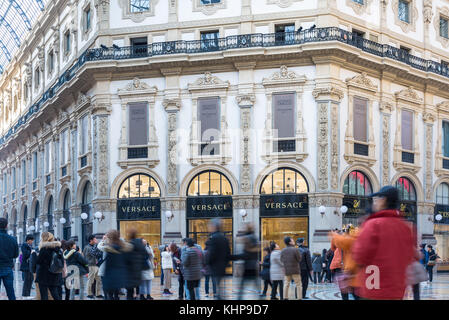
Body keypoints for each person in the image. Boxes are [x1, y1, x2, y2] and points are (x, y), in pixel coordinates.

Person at [352, 186, 415, 300]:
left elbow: (359, 256)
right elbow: (410, 256)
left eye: (377, 198)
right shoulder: (405, 227)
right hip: (397, 290)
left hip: (374, 289)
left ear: (384, 200)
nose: (374, 202)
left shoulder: (373, 224)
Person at [98, 230, 133, 300]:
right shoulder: (125, 247)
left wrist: (103, 240)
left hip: (110, 276)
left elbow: (99, 247)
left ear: (109, 237)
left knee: (110, 296)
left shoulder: (108, 248)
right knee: (116, 294)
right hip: (121, 275)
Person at [330, 227, 360, 300]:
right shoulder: (352, 240)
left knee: (345, 288)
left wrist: (334, 234)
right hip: (344, 265)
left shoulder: (341, 240)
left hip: (339, 265)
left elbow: (332, 248)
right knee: (352, 287)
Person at [233, 223, 260, 300]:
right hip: (252, 265)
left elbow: (238, 240)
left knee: (242, 287)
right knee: (255, 286)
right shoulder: (253, 237)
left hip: (248, 266)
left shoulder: (249, 238)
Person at [206, 218, 231, 300]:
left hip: (215, 267)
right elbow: (228, 253)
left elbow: (211, 254)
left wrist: (207, 263)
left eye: (210, 225)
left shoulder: (213, 238)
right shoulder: (224, 238)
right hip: (222, 267)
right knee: (220, 288)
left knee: (218, 287)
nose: (209, 227)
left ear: (214, 226)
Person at [35, 232, 63, 300]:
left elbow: (38, 261)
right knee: (55, 293)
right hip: (54, 274)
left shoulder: (44, 249)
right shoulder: (58, 249)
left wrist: (36, 255)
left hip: (43, 274)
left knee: (44, 295)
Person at [124, 228, 148, 300]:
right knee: (135, 291)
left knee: (129, 293)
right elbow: (146, 256)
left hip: (129, 273)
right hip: (137, 273)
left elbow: (125, 259)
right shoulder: (141, 245)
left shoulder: (128, 245)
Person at [0, 217, 19, 300]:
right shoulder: (13, 239)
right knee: (10, 292)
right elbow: (16, 254)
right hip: (7, 268)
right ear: (7, 226)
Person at [83, 235, 104, 299]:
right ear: (91, 240)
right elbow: (88, 256)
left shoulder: (93, 246)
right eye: (95, 239)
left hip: (96, 265)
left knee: (99, 280)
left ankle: (98, 293)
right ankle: (89, 293)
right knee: (90, 280)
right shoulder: (88, 247)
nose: (96, 240)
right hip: (91, 265)